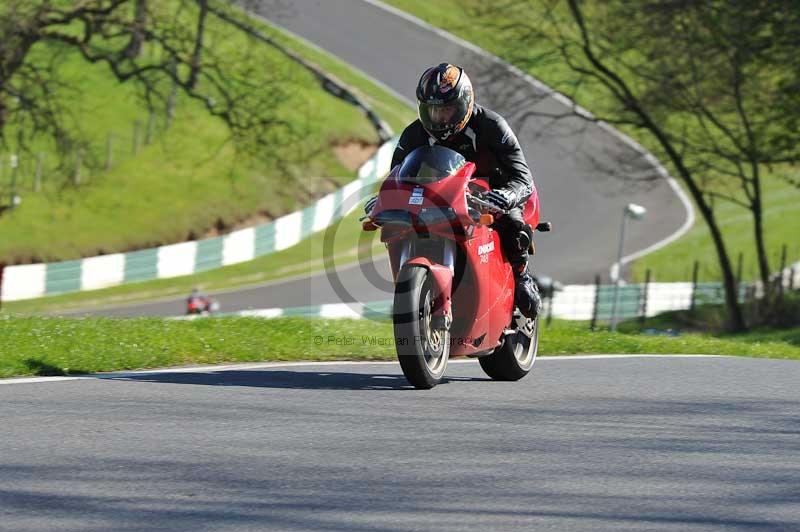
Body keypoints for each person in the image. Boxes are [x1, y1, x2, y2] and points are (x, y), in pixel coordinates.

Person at [366, 63, 541, 319]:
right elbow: (397, 178)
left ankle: (522, 276)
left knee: (514, 226)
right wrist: (384, 200)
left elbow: (523, 176)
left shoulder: (493, 126)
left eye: (446, 109)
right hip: (440, 198)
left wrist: (508, 196)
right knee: (400, 227)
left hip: (493, 193)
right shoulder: (413, 134)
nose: (440, 118)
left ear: (464, 103)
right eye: (432, 110)